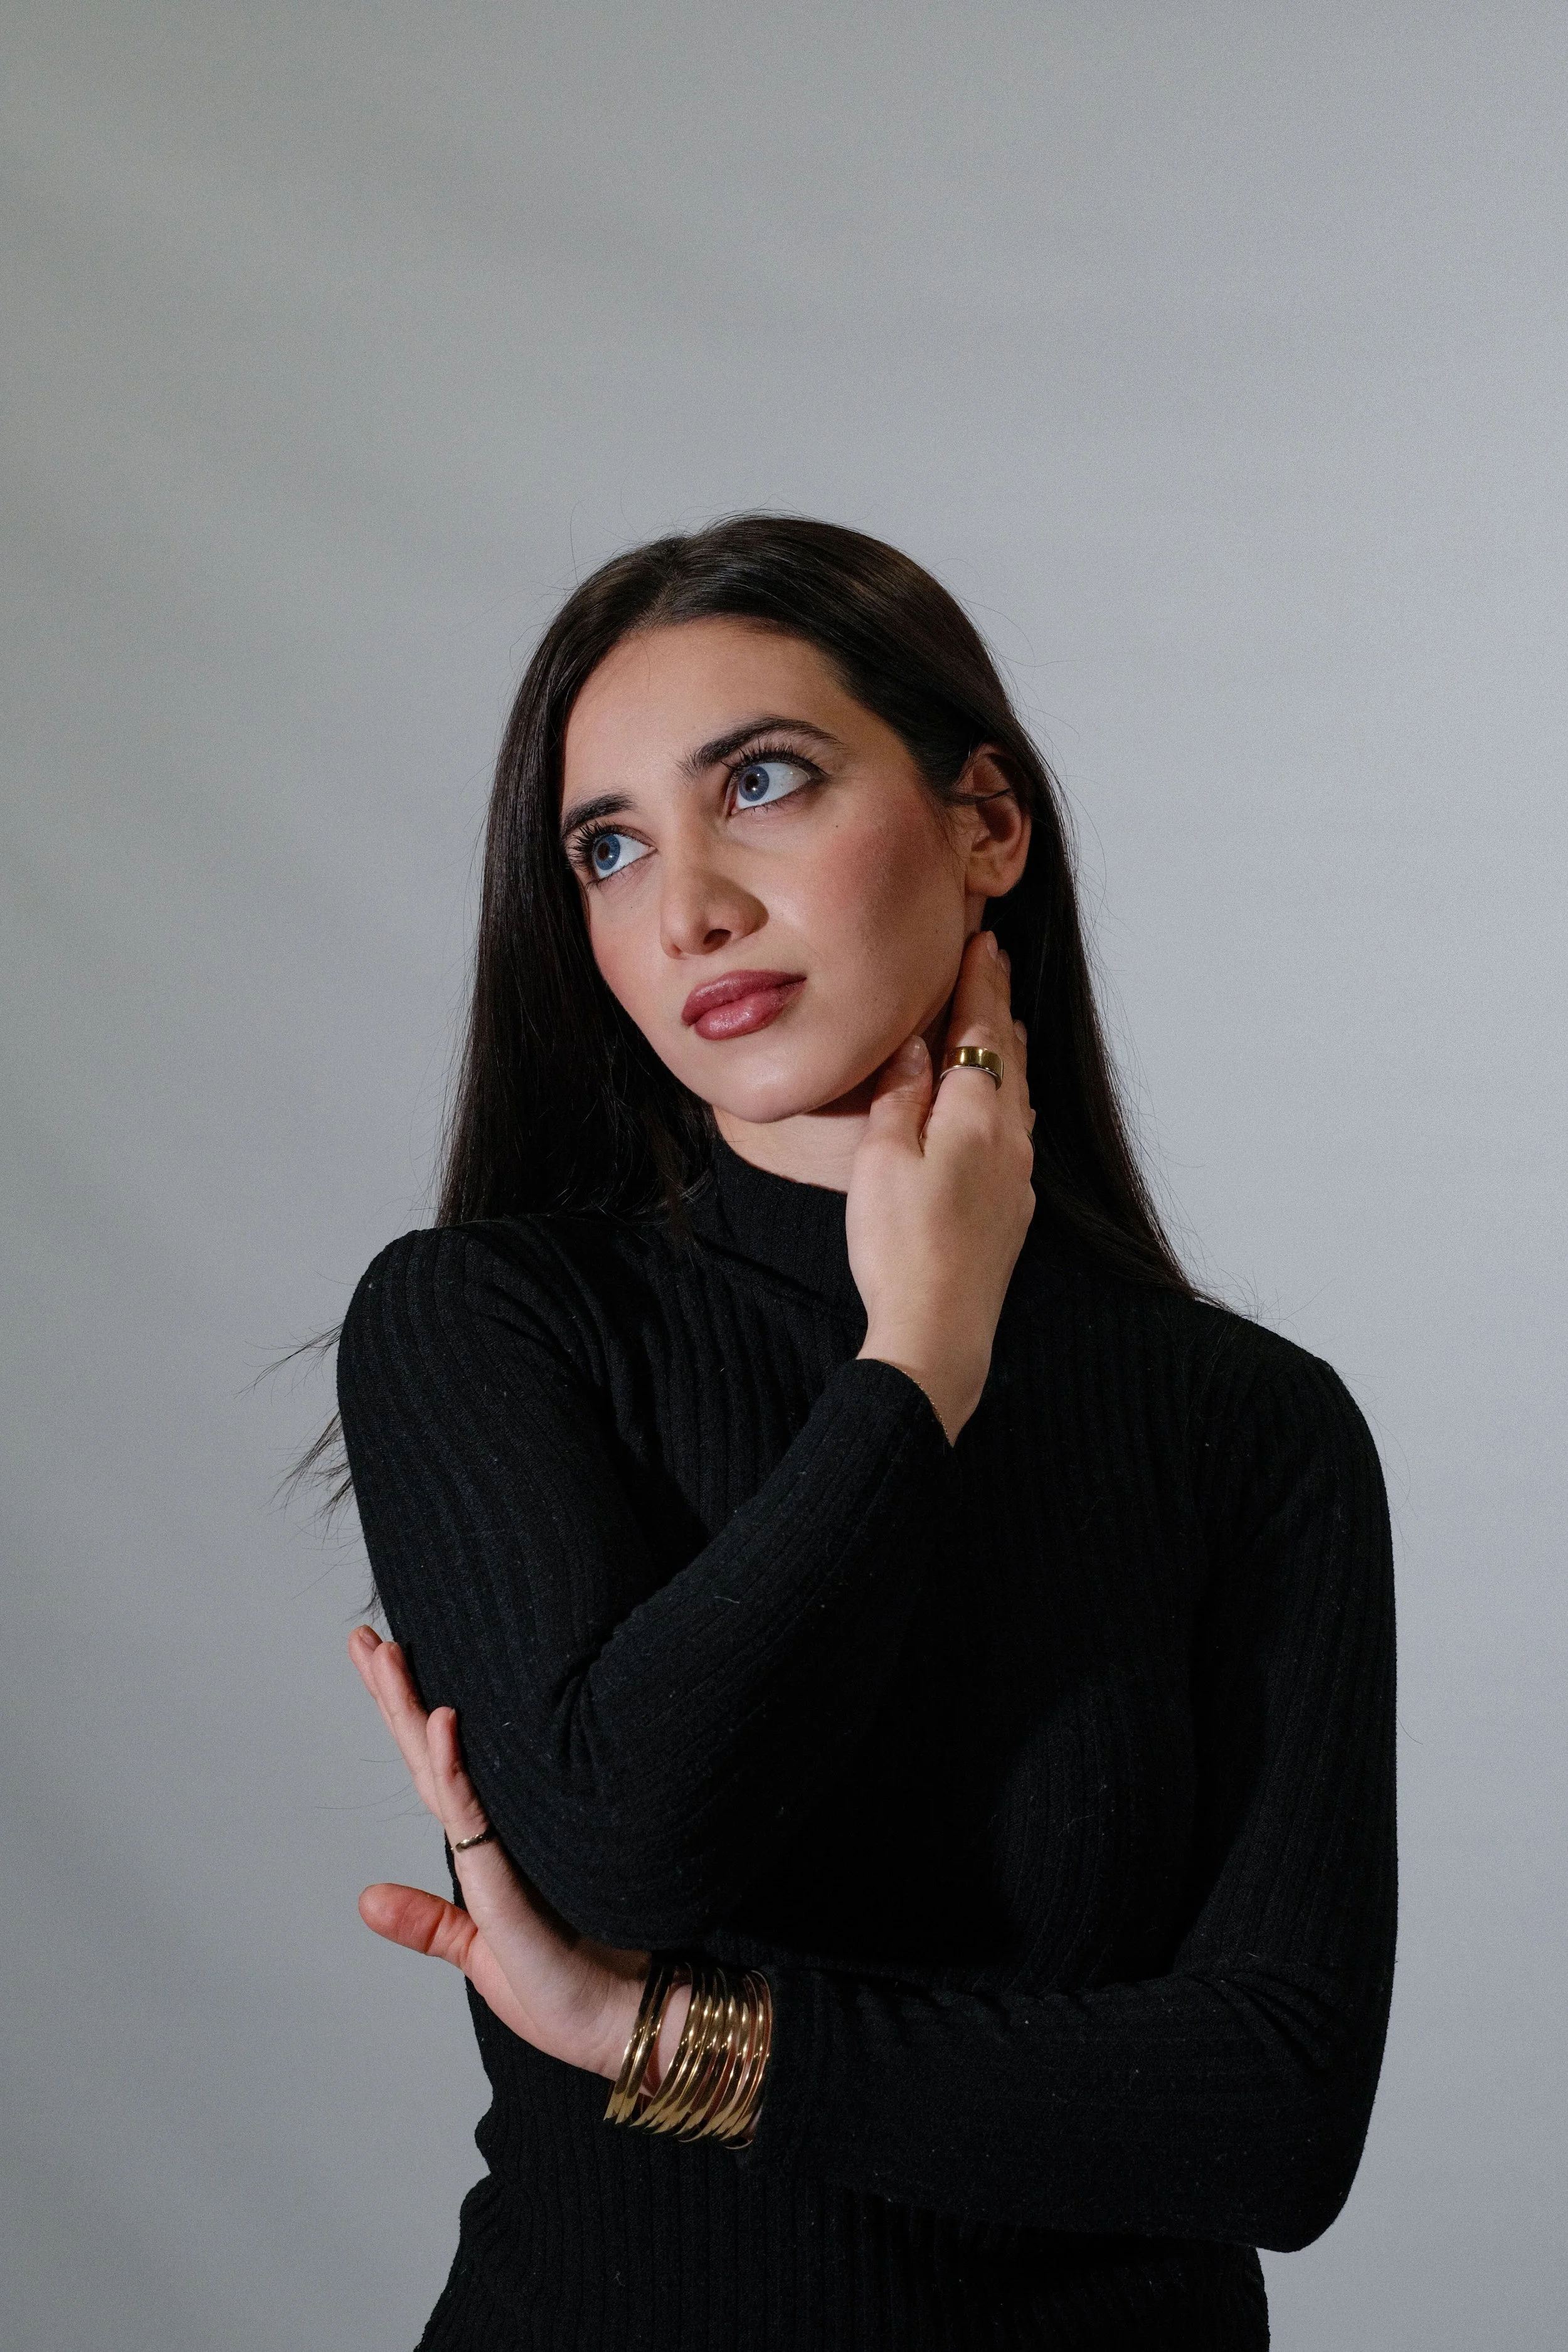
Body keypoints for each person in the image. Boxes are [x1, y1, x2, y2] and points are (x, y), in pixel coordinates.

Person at [332, 516, 1396, 2350]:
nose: (687, 912)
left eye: (761, 782)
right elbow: (628, 1844)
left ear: (986, 822)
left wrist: (658, 2035)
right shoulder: (487, 1319)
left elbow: (1268, 2117)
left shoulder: (1252, 1427)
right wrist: (916, 1360)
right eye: (609, 847)